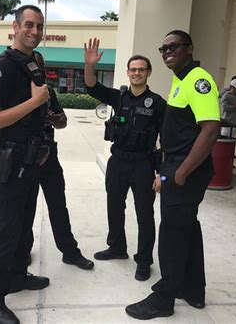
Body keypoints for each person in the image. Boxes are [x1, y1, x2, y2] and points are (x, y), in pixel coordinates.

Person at [125, 30, 220, 320]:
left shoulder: (198, 80)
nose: (167, 51)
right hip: (176, 167)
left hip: (185, 170)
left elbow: (211, 129)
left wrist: (181, 172)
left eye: (173, 46)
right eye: (163, 47)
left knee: (171, 235)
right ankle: (192, 290)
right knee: (186, 229)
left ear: (189, 48)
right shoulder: (180, 80)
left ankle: (163, 300)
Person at [0, 5, 51, 324]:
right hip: (10, 162)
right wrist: (35, 103)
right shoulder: (5, 66)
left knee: (24, 225)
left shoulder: (33, 64)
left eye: (39, 26)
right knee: (7, 229)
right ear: (15, 26)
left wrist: (46, 118)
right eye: (29, 25)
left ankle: (17, 276)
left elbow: (33, 113)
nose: (35, 32)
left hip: (31, 159)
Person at [84, 38, 166, 281]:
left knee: (144, 214)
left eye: (141, 69)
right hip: (118, 161)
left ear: (148, 72)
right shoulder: (119, 97)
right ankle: (117, 248)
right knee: (114, 206)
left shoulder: (158, 104)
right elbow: (92, 87)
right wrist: (89, 65)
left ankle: (144, 261)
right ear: (127, 73)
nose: (137, 73)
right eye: (133, 69)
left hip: (143, 164)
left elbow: (166, 141)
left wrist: (161, 173)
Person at [30, 83, 94, 270]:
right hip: (26, 158)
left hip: (49, 155)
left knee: (58, 205)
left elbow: (63, 121)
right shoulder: (17, 86)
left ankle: (70, 252)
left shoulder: (47, 91)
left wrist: (53, 118)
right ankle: (23, 250)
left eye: (41, 67)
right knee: (25, 209)